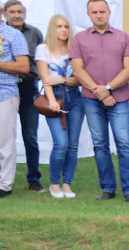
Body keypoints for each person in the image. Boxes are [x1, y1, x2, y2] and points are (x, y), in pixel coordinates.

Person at [70, 0, 129, 202]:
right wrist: (99, 91)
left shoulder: (124, 37)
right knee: (100, 144)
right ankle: (108, 188)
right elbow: (78, 70)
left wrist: (107, 89)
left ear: (109, 13)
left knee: (124, 143)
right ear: (88, 15)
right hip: (91, 99)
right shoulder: (79, 39)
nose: (99, 15)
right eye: (94, 12)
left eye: (102, 11)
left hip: (120, 98)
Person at [35, 14, 84, 199]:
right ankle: (54, 184)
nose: (63, 30)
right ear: (52, 29)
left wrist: (62, 79)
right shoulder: (43, 49)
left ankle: (67, 184)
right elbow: (45, 78)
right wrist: (52, 100)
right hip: (53, 97)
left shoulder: (75, 50)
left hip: (76, 98)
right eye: (59, 26)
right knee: (61, 143)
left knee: (72, 145)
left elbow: (79, 79)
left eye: (66, 26)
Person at [4, 0, 42, 192]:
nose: (16, 15)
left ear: (24, 14)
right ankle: (0, 178)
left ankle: (34, 179)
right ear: (5, 14)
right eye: (12, 12)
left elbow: (42, 60)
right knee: (1, 137)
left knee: (30, 135)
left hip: (28, 88)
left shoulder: (34, 33)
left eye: (20, 11)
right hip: (4, 88)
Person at [0, 0, 29, 199]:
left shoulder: (13, 35)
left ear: (0, 12)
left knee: (5, 143)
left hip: (3, 95)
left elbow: (24, 67)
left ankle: (4, 184)